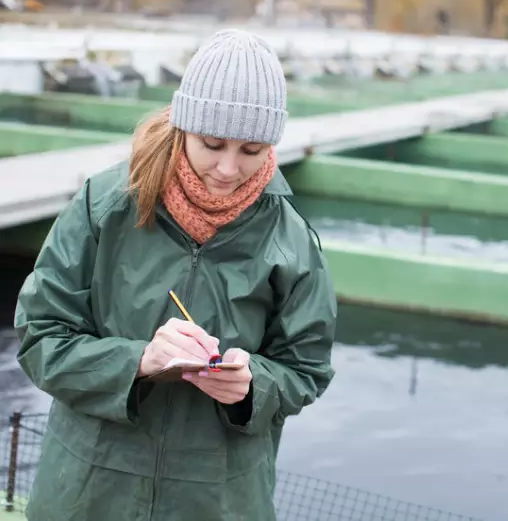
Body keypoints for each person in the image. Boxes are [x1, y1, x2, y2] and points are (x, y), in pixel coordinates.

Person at [13, 29, 337, 521]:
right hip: (89, 492)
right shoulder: (104, 207)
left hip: (218, 500)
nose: (228, 168)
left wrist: (253, 386)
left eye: (252, 151)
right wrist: (137, 360)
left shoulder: (292, 239)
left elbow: (306, 369)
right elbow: (40, 336)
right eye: (212, 143)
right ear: (183, 126)